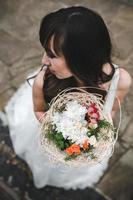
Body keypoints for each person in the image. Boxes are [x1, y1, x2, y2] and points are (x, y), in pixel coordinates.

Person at [5, 6, 131, 189]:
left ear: (80, 58)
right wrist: (59, 134)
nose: (43, 61)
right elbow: (39, 109)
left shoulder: (119, 81)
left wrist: (90, 134)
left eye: (51, 55)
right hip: (53, 137)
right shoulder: (44, 81)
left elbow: (110, 111)